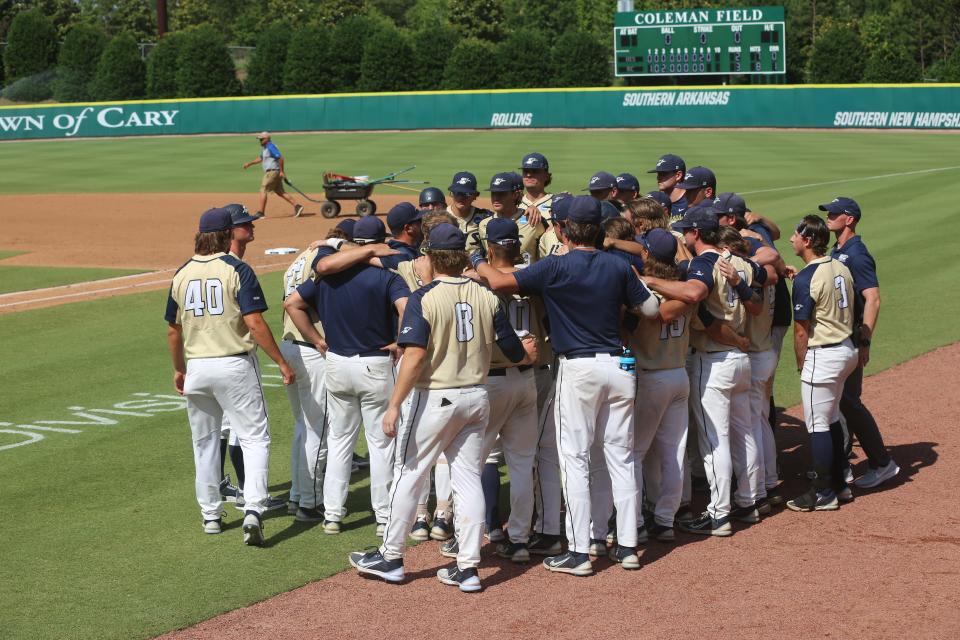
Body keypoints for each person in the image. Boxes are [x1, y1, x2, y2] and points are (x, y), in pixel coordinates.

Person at [475, 196, 660, 576]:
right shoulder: (619, 265)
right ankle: (626, 546)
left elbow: (497, 281)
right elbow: (652, 309)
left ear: (563, 229)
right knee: (621, 458)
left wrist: (476, 258)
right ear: (600, 230)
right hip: (620, 366)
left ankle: (578, 553)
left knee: (575, 459)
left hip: (578, 370)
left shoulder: (554, 266)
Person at [348, 223, 535, 593]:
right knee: (467, 478)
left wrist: (394, 404)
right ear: (464, 256)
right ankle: (467, 568)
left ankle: (391, 558)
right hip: (477, 397)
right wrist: (526, 355)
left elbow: (415, 356)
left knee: (411, 471)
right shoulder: (486, 296)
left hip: (436, 398)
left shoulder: (425, 297)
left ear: (431, 257)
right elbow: (513, 350)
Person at [165, 207, 295, 545]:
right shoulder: (236, 269)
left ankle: (210, 515)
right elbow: (254, 323)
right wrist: (281, 361)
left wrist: (179, 369)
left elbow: (173, 331)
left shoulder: (181, 273)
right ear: (226, 234)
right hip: (234, 365)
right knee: (254, 438)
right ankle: (253, 508)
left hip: (197, 368)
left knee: (204, 443)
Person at [644, 204, 773, 536]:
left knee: (715, 440)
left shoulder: (703, 264)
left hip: (715, 361)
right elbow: (764, 285)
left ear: (696, 234)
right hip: (742, 360)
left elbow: (696, 295)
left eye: (687, 230)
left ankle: (719, 513)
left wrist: (650, 279)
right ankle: (749, 501)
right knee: (745, 433)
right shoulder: (741, 262)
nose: (683, 236)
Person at [286, 216, 410, 537]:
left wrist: (315, 339)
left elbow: (292, 304)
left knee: (339, 441)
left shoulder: (327, 278)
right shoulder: (386, 276)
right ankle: (383, 516)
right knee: (380, 444)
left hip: (337, 363)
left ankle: (332, 515)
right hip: (375, 365)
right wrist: (402, 339)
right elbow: (406, 308)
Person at [822, 197, 899, 489]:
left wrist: (865, 339)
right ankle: (841, 464)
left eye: (834, 213)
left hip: (851, 336)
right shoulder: (838, 249)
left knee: (849, 402)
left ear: (849, 219)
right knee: (842, 402)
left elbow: (873, 298)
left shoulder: (857, 254)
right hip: (840, 335)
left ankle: (882, 463)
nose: (829, 217)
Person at [786, 214, 859, 511]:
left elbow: (802, 330)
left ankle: (822, 492)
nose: (791, 238)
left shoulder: (806, 279)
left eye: (795, 235)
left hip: (824, 355)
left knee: (817, 424)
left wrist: (802, 364)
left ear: (806, 241)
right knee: (829, 419)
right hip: (846, 351)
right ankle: (840, 485)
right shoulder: (841, 265)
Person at [630, 229, 694, 542]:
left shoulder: (645, 290)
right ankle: (665, 519)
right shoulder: (685, 287)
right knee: (673, 452)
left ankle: (636, 521)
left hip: (651, 377)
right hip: (679, 375)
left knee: (634, 452)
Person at [477, 172, 545, 266]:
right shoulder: (483, 224)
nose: (496, 198)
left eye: (501, 194)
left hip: (527, 278)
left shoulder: (533, 220)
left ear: (515, 195)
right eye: (493, 193)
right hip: (496, 278)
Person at [241, 132, 304, 218]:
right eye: (259, 139)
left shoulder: (270, 146)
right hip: (274, 172)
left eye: (261, 139)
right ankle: (297, 206)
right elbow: (261, 158)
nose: (260, 141)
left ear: (267, 139)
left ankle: (261, 213)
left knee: (263, 189)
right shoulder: (266, 148)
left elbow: (280, 157)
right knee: (280, 192)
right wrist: (250, 163)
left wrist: (282, 171)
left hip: (272, 172)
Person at [446, 171, 491, 253]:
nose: (461, 198)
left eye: (467, 194)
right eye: (458, 193)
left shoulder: (485, 218)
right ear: (451, 194)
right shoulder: (440, 217)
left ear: (474, 196)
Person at [646, 154, 687, 221]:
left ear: (678, 175)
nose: (659, 178)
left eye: (664, 174)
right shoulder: (655, 200)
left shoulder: (690, 203)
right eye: (658, 174)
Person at [519, 152, 554, 224]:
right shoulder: (515, 203)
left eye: (534, 171)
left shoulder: (555, 203)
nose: (528, 175)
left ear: (546, 176)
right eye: (525, 171)